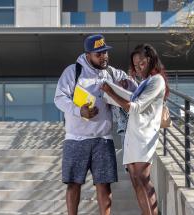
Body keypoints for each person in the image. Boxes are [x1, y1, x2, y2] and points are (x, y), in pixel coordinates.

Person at [54, 34, 136, 215]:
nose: (104, 57)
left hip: (103, 139)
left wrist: (127, 83)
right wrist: (78, 110)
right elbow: (59, 98)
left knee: (104, 184)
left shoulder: (112, 73)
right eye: (98, 54)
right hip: (75, 139)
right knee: (73, 184)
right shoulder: (73, 71)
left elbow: (133, 87)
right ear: (88, 54)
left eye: (105, 52)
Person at [101, 43, 170, 215]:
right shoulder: (144, 82)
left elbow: (135, 107)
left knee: (143, 179)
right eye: (135, 65)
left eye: (142, 63)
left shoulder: (157, 80)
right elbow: (133, 99)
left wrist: (111, 93)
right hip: (132, 135)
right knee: (135, 181)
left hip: (144, 136)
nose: (138, 68)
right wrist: (125, 88)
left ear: (151, 60)